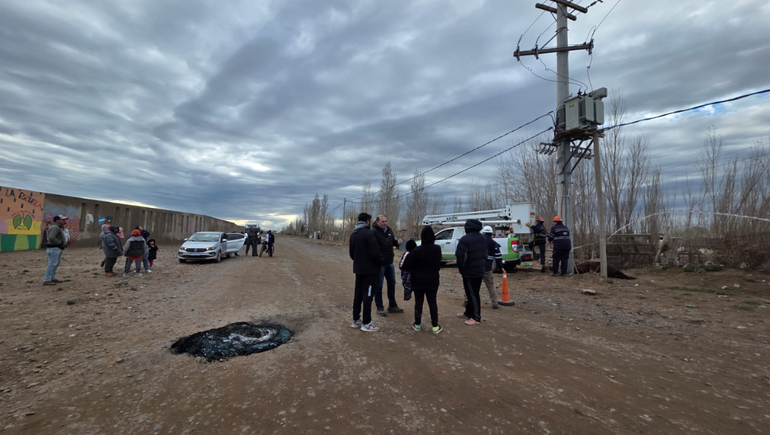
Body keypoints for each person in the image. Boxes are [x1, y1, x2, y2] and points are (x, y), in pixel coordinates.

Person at [401, 226, 443, 334]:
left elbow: (406, 265)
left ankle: (417, 324)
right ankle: (435, 326)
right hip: (433, 280)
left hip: (418, 280)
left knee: (418, 302)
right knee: (432, 302)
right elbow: (438, 265)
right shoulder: (437, 249)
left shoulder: (416, 250)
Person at [349, 212, 384, 332]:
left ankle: (355, 320)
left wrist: (359, 262)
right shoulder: (369, 234)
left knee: (358, 294)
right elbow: (375, 252)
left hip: (359, 269)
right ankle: (366, 323)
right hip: (370, 271)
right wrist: (380, 262)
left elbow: (351, 253)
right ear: (368, 221)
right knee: (368, 295)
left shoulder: (354, 234)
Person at [455, 219, 487, 325]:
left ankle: (476, 317)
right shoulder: (483, 238)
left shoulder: (465, 239)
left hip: (469, 271)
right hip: (480, 269)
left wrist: (461, 269)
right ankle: (468, 312)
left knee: (472, 294)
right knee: (471, 293)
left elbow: (461, 256)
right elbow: (485, 254)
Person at [371, 215, 403, 316]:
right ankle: (380, 307)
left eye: (386, 221)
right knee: (379, 285)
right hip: (380, 264)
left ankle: (392, 305)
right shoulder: (374, 232)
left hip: (390, 263)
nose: (385, 223)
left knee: (392, 284)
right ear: (377, 222)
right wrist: (378, 260)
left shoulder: (389, 230)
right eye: (382, 221)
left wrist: (397, 243)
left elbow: (392, 242)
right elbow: (374, 249)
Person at [481, 226, 504, 309]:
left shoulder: (479, 242)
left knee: (474, 285)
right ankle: (495, 303)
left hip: (478, 267)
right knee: (490, 285)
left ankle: (468, 301)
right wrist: (501, 267)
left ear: (483, 233)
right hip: (487, 268)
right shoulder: (493, 243)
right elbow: (498, 257)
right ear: (491, 233)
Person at [43, 215, 68, 286]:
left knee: (55, 264)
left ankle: (52, 278)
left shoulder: (58, 227)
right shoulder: (55, 227)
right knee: (52, 264)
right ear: (57, 220)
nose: (64, 221)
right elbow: (51, 237)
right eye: (62, 219)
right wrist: (60, 243)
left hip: (57, 248)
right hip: (54, 248)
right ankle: (47, 280)